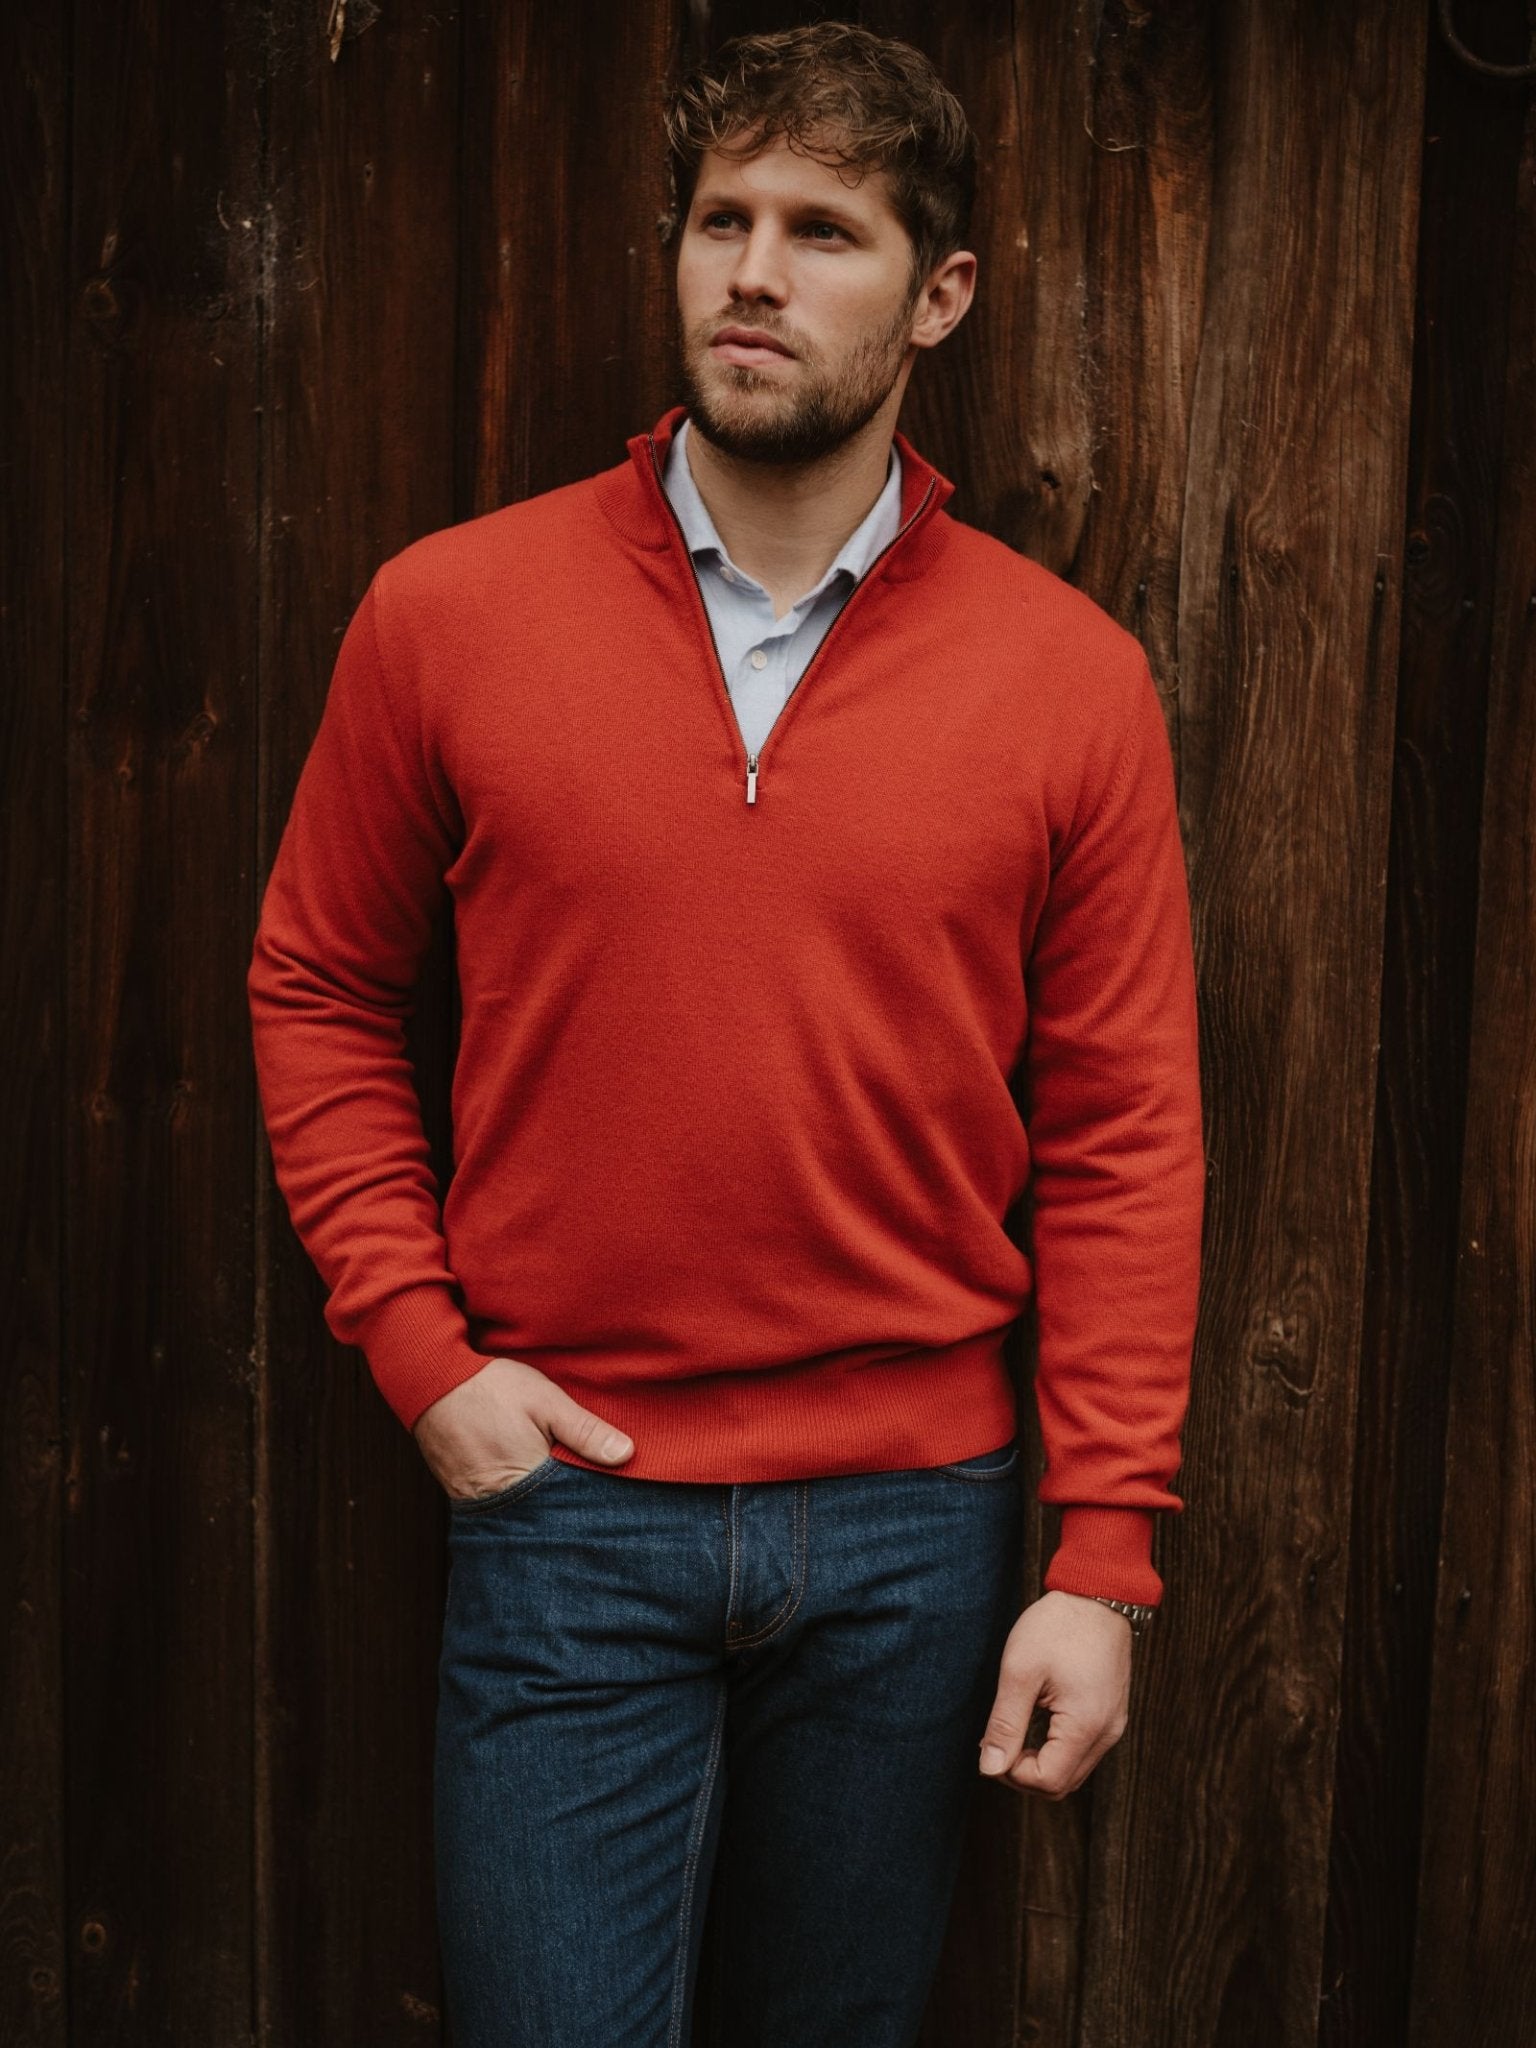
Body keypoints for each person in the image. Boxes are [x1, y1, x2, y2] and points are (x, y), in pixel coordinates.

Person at [246, 20, 1205, 2047]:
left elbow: (1121, 1122)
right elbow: (318, 984)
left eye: (824, 231)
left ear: (940, 294)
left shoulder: (1070, 680)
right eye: (721, 220)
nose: (753, 271)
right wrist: (422, 1353)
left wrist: (1099, 1548)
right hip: (566, 1507)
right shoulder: (450, 613)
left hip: (914, 1533)